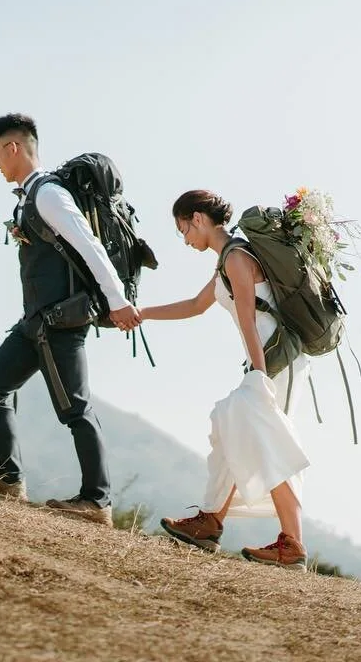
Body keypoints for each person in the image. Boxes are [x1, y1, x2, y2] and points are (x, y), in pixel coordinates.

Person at [0, 113, 141, 526]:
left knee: (75, 409)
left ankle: (97, 501)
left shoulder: (48, 194)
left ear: (13, 148)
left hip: (61, 324)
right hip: (34, 323)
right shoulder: (28, 197)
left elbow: (90, 244)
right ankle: (8, 478)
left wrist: (118, 301)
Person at [138, 189, 312, 570]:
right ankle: (210, 522)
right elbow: (195, 306)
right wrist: (144, 313)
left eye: (184, 230)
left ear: (198, 219)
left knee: (267, 439)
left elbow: (248, 319)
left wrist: (259, 379)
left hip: (276, 361)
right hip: (264, 361)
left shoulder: (236, 258)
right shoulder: (226, 262)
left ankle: (293, 544)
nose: (185, 239)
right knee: (230, 426)